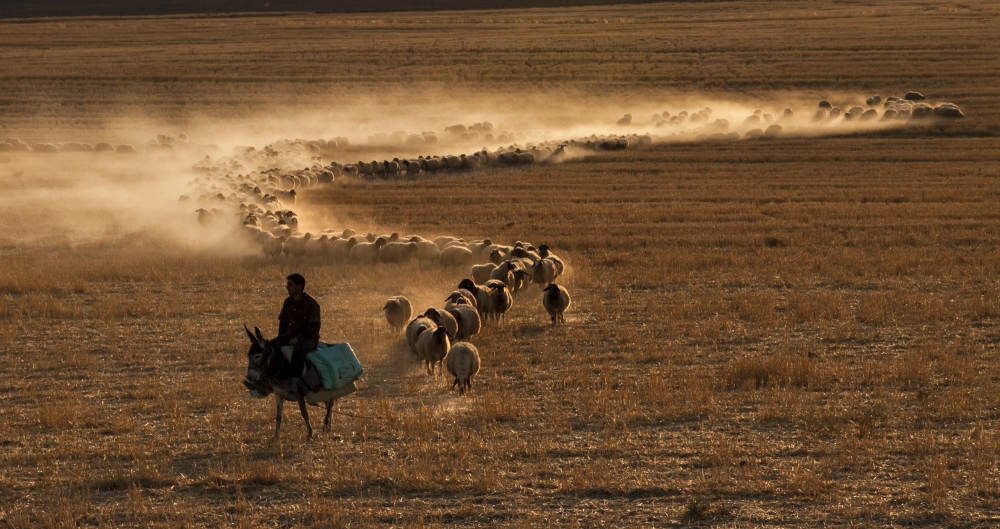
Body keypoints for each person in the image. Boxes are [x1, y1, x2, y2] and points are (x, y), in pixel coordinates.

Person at [272, 273, 321, 401]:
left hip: (309, 338)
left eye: (290, 285)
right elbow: (283, 324)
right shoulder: (288, 302)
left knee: (298, 351)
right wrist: (280, 340)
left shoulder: (311, 303)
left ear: (299, 287)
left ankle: (294, 388)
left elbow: (314, 327)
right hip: (290, 335)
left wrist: (298, 338)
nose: (286, 287)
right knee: (270, 347)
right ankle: (267, 382)